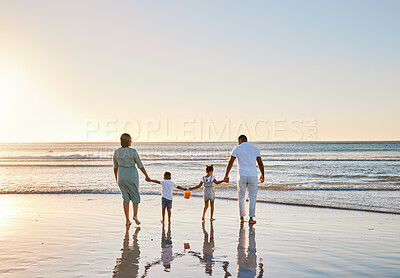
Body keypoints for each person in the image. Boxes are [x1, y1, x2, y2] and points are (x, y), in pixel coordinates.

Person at [224, 135, 264, 224]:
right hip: (253, 176)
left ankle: (242, 217)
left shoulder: (237, 148)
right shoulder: (255, 148)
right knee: (252, 197)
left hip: (241, 175)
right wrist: (262, 175)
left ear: (240, 141)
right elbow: (260, 163)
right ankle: (251, 218)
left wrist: (226, 175)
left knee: (241, 196)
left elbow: (230, 162)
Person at [113, 133, 151, 226]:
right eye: (130, 139)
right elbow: (140, 165)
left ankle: (127, 220)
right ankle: (135, 216)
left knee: (125, 198)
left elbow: (115, 167)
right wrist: (146, 175)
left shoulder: (116, 152)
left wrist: (117, 178)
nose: (131, 141)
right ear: (128, 141)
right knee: (135, 196)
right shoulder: (133, 151)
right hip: (132, 176)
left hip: (121, 176)